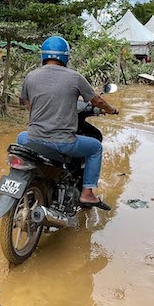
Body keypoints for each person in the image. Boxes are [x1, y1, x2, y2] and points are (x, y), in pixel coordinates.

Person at [17, 35, 118, 210]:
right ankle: (87, 193)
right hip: (62, 142)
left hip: (33, 139)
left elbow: (26, 104)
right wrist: (112, 110)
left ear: (43, 55)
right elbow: (98, 101)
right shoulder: (74, 77)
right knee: (95, 147)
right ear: (66, 56)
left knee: (20, 137)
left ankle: (24, 176)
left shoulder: (31, 76)